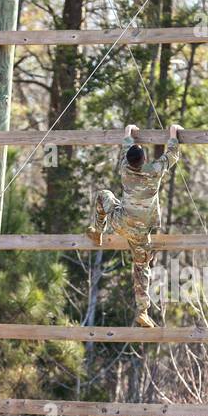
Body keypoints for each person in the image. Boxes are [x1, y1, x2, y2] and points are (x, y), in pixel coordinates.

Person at [87, 123, 181, 327]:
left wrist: (128, 130)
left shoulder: (124, 169)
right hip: (140, 230)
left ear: (128, 160)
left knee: (104, 195)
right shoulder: (154, 171)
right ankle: (142, 311)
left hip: (120, 222)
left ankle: (98, 230)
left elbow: (125, 145)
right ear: (144, 160)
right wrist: (173, 131)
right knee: (141, 267)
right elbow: (172, 154)